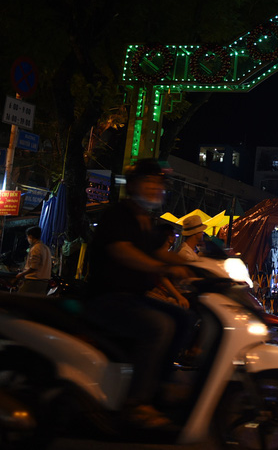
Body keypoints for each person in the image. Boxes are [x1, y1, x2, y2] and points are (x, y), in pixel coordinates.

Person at [83, 159, 192, 428]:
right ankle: (137, 404)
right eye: (149, 182)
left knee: (185, 318)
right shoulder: (118, 215)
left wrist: (200, 266)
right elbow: (123, 251)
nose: (155, 188)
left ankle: (162, 384)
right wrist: (162, 266)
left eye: (159, 183)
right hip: (107, 298)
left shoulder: (146, 220)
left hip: (133, 298)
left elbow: (158, 252)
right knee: (159, 325)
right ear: (133, 186)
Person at [15, 226, 52, 294]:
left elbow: (33, 267)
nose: (27, 239)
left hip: (33, 280)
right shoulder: (46, 248)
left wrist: (21, 274)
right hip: (44, 281)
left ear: (30, 236)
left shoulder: (35, 248)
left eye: (27, 237)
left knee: (21, 300)